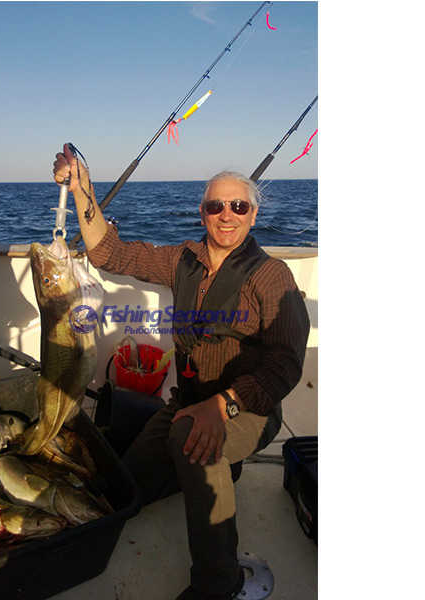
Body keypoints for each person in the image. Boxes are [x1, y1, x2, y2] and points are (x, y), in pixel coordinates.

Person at [53, 143, 310, 600]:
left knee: (192, 444)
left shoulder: (272, 277)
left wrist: (223, 405)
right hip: (187, 402)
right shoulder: (183, 260)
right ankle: (221, 473)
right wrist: (81, 188)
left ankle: (219, 582)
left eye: (239, 206)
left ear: (253, 215)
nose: (227, 215)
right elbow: (111, 253)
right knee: (127, 488)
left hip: (249, 409)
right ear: (202, 212)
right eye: (216, 206)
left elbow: (286, 364)